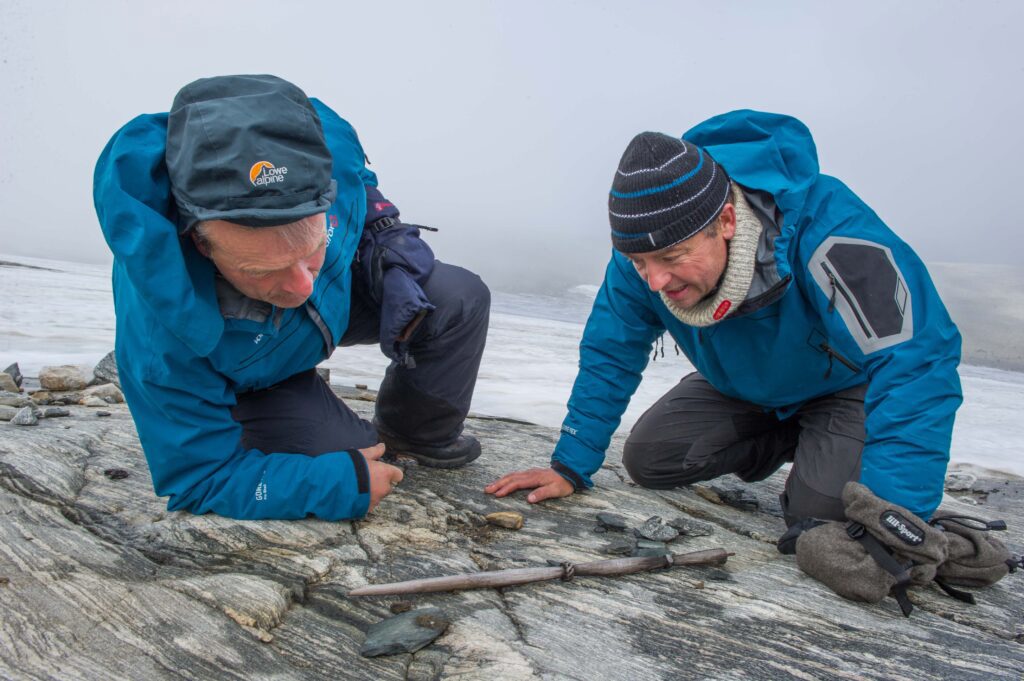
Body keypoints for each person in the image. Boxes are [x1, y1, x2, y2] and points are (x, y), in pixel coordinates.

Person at [486, 110, 980, 607]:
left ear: (724, 221)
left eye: (673, 258)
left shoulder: (831, 233)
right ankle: (804, 444)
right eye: (641, 264)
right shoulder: (641, 254)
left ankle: (877, 487)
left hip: (842, 388)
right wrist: (570, 465)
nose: (656, 282)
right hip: (746, 389)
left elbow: (916, 361)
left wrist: (894, 517)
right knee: (651, 460)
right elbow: (610, 352)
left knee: (821, 522)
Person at [94, 74, 489, 521]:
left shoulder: (323, 143)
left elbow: (359, 180)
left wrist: (383, 229)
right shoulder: (162, 339)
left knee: (456, 297)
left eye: (314, 249)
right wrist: (336, 483)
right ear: (202, 243)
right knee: (343, 456)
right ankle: (286, 400)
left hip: (328, 313)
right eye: (262, 269)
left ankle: (415, 434)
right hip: (245, 371)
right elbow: (198, 481)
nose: (302, 286)